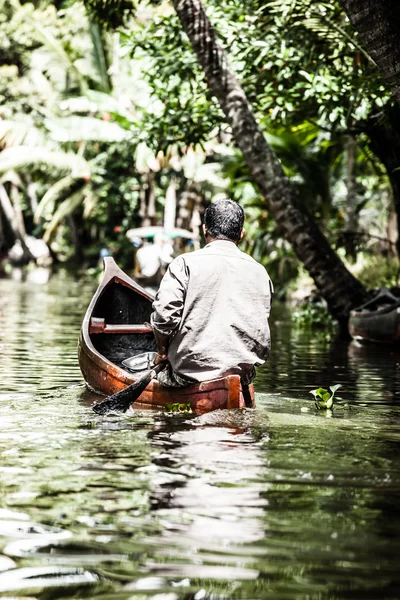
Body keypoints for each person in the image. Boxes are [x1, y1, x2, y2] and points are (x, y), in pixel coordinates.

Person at [150, 198, 274, 387]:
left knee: (152, 372)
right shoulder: (260, 272)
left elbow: (164, 317)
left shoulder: (184, 264)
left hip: (188, 376)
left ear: (205, 229)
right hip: (241, 376)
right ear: (241, 234)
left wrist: (162, 352)